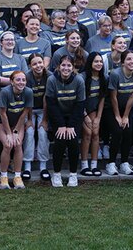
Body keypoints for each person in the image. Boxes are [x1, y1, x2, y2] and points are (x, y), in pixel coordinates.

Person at [45, 55, 86, 187]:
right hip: (58, 116)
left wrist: (71, 125)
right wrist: (62, 125)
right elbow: (51, 104)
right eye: (63, 65)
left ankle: (73, 175)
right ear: (58, 67)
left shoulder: (79, 81)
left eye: (69, 66)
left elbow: (80, 105)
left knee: (73, 141)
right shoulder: (52, 80)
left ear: (73, 67)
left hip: (74, 117)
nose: (66, 68)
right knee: (60, 140)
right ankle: (56, 174)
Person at [0, 70, 33, 189]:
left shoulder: (28, 92)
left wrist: (15, 131)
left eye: (23, 80)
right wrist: (9, 133)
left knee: (18, 144)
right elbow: (2, 114)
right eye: (18, 80)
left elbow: (25, 112)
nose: (21, 82)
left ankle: (17, 177)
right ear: (11, 82)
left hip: (18, 121)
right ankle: (3, 177)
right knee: (8, 144)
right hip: (1, 121)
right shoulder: (5, 92)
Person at [80, 53, 108, 177]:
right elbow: (79, 100)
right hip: (82, 110)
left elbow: (102, 99)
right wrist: (85, 116)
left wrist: (98, 118)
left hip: (95, 111)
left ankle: (94, 165)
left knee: (95, 133)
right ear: (90, 63)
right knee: (87, 134)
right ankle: (84, 164)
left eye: (100, 62)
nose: (99, 64)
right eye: (96, 61)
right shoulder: (83, 77)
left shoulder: (104, 78)